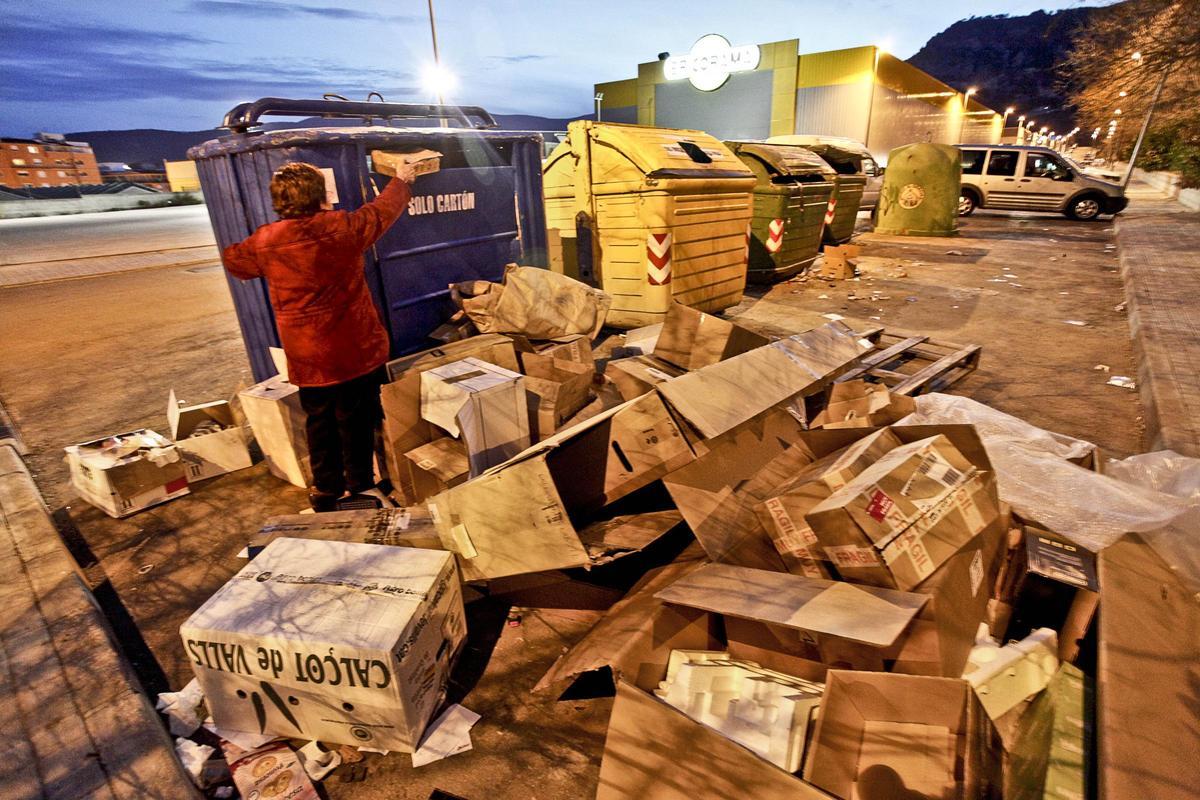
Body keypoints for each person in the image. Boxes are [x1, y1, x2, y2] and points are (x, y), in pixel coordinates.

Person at [222, 160, 417, 511]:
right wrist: (400, 180)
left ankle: (325, 490)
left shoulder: (267, 240)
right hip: (352, 349)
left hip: (308, 354)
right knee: (355, 420)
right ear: (319, 196)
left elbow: (236, 261)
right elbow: (381, 212)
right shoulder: (342, 227)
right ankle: (360, 486)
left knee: (320, 422)